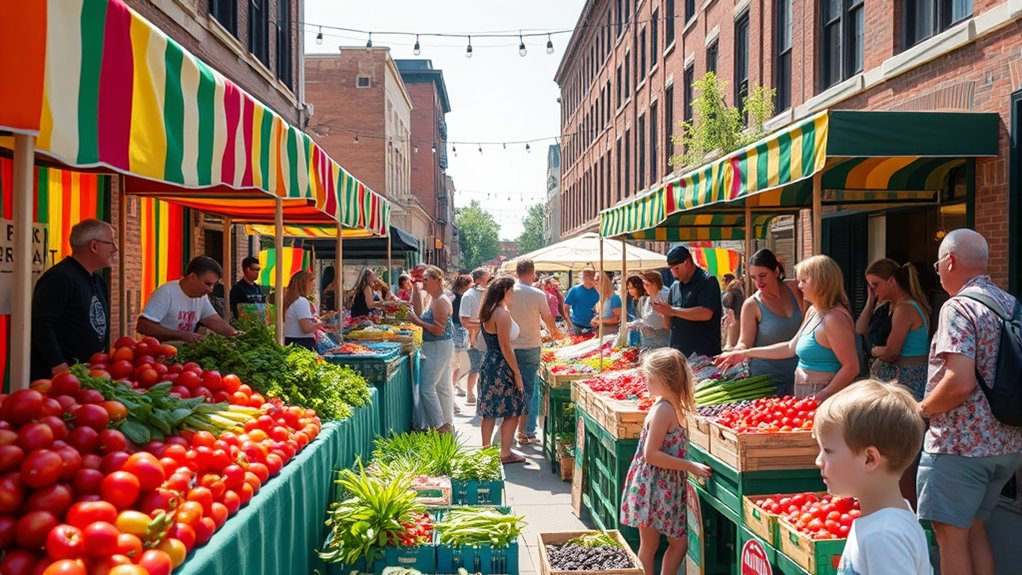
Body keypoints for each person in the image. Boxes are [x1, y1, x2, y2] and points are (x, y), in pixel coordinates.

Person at [918, 229, 1022, 575]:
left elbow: (959, 382)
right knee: (975, 529)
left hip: (960, 446)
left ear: (949, 261)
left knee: (950, 538)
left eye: (938, 265)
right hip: (1005, 442)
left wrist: (923, 409)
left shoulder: (957, 306)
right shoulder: (1009, 304)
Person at [813, 380, 931, 575]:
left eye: (828, 450)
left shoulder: (884, 535)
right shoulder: (888, 519)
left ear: (869, 459)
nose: (819, 461)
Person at [620, 348, 712, 575]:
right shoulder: (663, 409)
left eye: (649, 378)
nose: (646, 383)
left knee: (678, 543)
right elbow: (651, 454)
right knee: (651, 545)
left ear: (665, 379)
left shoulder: (674, 407)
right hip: (653, 485)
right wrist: (690, 466)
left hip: (667, 485)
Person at [717, 255, 858, 402]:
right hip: (806, 396)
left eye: (804, 280)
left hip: (824, 399)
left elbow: (851, 367)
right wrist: (745, 353)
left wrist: (820, 397)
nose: (799, 286)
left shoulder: (834, 318)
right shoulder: (813, 311)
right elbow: (790, 347)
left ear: (820, 281)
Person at [31, 219, 115, 379]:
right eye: (110, 243)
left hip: (88, 374)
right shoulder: (60, 277)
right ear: (94, 246)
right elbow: (42, 324)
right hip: (60, 377)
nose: (115, 249)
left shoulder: (98, 281)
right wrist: (58, 365)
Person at [730, 249, 804, 395]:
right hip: (766, 381)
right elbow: (745, 341)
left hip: (799, 375)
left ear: (776, 271)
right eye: (753, 277)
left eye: (763, 275)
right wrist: (737, 351)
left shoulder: (796, 289)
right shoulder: (752, 304)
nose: (759, 282)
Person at [509, 260, 563, 445]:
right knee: (529, 390)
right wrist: (555, 334)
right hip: (530, 345)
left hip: (509, 346)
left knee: (511, 389)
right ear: (532, 273)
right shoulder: (538, 294)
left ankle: (510, 430)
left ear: (516, 273)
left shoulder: (508, 291)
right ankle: (526, 431)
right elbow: (548, 318)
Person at [863, 259, 931, 400]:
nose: (873, 290)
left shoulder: (904, 308)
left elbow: (891, 353)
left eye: (876, 285)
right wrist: (870, 301)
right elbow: (860, 330)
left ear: (892, 281)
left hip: (905, 378)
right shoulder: (889, 307)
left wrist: (874, 351)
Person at [477, 276, 526, 464]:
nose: (513, 293)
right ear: (505, 290)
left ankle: (486, 450)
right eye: (512, 290)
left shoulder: (488, 311)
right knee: (513, 409)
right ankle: (504, 453)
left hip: (489, 361)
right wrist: (517, 373)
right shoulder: (501, 314)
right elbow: (505, 347)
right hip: (501, 364)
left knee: (489, 410)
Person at [137, 256, 239, 343]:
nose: (210, 289)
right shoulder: (166, 292)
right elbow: (144, 326)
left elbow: (213, 320)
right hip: (158, 352)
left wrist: (235, 334)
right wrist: (182, 335)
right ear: (193, 277)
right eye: (208, 284)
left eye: (213, 285)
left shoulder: (202, 297)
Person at [652, 246, 723, 357]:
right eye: (671, 269)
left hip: (703, 353)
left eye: (676, 269)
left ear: (687, 262)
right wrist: (664, 312)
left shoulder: (707, 281)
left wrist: (673, 311)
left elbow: (706, 313)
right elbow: (668, 325)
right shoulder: (674, 286)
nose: (674, 274)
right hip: (678, 353)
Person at [407, 266, 455, 432]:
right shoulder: (433, 298)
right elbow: (420, 313)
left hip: (439, 345)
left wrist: (417, 322)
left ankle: (439, 424)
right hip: (435, 346)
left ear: (437, 280)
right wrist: (414, 288)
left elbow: (438, 329)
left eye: (426, 279)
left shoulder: (441, 300)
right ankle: (447, 422)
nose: (423, 282)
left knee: (427, 387)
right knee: (442, 387)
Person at [458, 268, 491, 406]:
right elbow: (464, 320)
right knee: (476, 367)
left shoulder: (489, 294)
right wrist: (483, 323)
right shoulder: (469, 295)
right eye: (487, 277)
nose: (489, 279)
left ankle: (480, 396)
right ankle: (471, 393)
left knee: (483, 368)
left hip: (486, 337)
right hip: (473, 338)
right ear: (478, 279)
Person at [282, 270, 326, 350]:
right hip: (301, 342)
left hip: (291, 340)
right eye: (311, 280)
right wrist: (319, 325)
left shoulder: (291, 300)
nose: (314, 283)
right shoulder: (301, 301)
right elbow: (306, 328)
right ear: (303, 283)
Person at [628, 271, 671, 348]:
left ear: (655, 284)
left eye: (647, 285)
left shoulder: (664, 298)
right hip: (647, 344)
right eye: (644, 284)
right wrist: (638, 324)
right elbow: (647, 320)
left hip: (661, 344)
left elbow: (667, 325)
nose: (644, 287)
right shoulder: (647, 300)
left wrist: (664, 315)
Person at [449, 275, 473, 401]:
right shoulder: (455, 297)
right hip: (458, 330)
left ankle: (455, 385)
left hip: (461, 330)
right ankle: (453, 387)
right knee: (460, 363)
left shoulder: (457, 296)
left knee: (462, 364)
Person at [563, 269, 600, 334]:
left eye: (591, 275)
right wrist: (569, 324)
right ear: (582, 276)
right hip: (576, 326)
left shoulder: (598, 291)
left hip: (593, 327)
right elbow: (566, 308)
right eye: (586, 275)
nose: (588, 277)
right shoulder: (575, 290)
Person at [591, 270, 622, 335]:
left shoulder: (615, 298)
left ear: (604, 281)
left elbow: (617, 319)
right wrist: (596, 319)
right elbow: (604, 316)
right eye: (594, 280)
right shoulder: (602, 298)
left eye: (597, 279)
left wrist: (600, 321)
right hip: (601, 334)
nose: (594, 282)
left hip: (611, 335)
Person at [721, 276, 745, 349]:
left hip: (733, 318)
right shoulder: (740, 293)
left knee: (731, 341)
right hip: (737, 317)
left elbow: (726, 303)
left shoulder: (733, 292)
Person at [623, 275, 645, 346]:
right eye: (628, 288)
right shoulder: (629, 300)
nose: (630, 291)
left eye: (632, 288)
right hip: (632, 332)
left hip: (642, 333)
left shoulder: (645, 300)